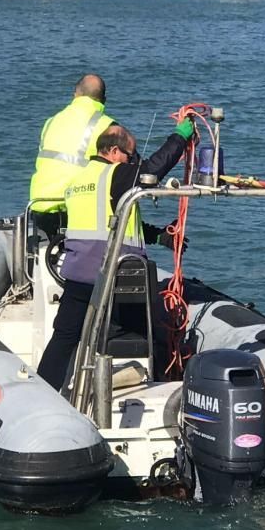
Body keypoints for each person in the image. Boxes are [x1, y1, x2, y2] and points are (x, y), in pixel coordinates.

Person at [35, 119, 194, 392]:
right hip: (117, 275)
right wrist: (180, 137)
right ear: (113, 152)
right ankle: (168, 391)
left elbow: (111, 222)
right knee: (157, 334)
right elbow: (153, 169)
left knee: (64, 336)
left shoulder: (78, 181)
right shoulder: (115, 175)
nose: (132, 162)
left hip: (80, 274)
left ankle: (43, 392)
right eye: (130, 156)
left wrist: (160, 237)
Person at [29, 74, 115, 240]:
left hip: (37, 206)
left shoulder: (51, 121)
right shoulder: (106, 126)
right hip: (73, 211)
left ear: (75, 95)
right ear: (104, 100)